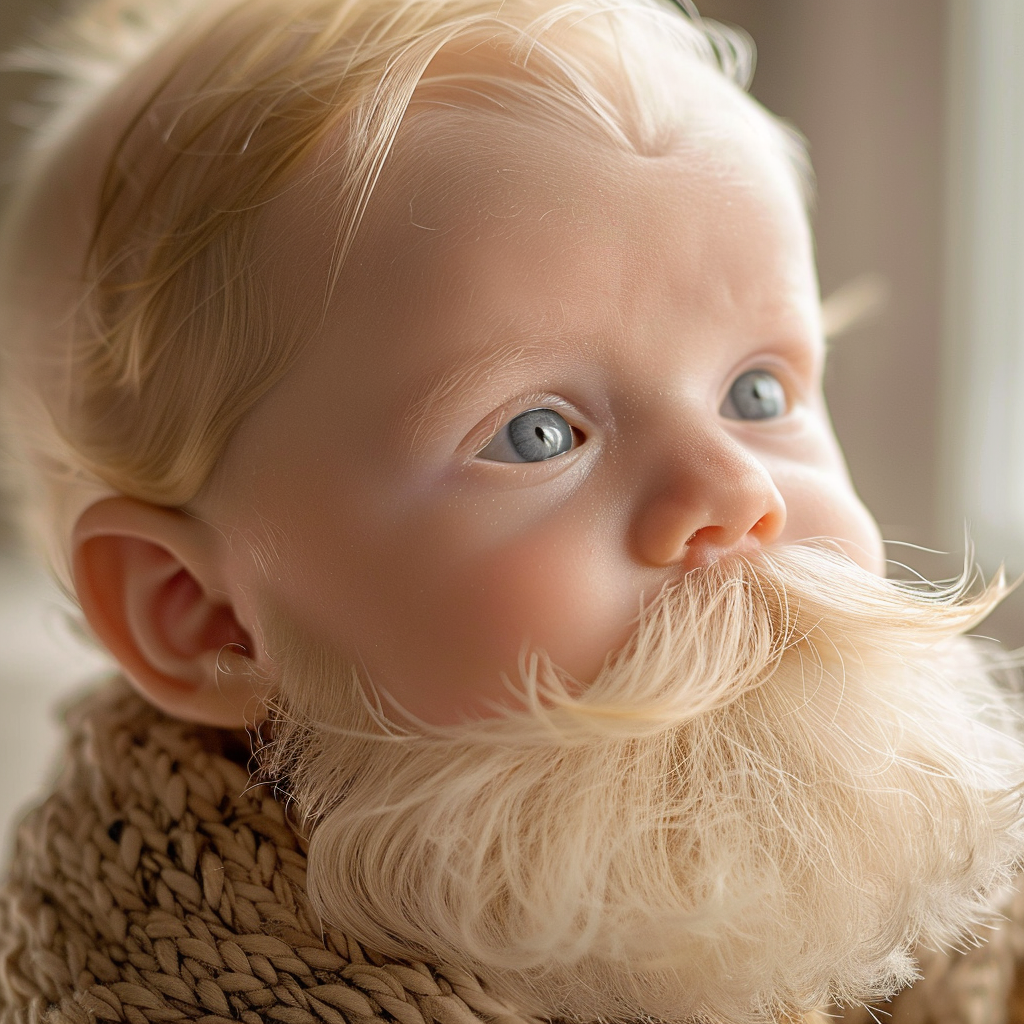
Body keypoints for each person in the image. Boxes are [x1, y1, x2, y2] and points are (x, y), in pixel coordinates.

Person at [1, 0, 1023, 1021]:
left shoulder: (950, 923)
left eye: (756, 393)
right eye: (538, 433)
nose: (736, 492)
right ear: (200, 612)